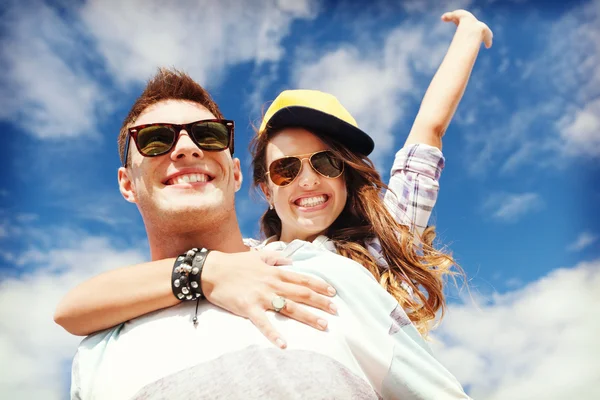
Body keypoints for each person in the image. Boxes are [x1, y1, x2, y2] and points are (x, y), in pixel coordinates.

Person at [63, 10, 491, 399]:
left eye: (326, 163)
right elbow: (70, 310)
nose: (308, 179)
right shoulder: (254, 262)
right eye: (286, 169)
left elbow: (426, 137)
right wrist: (207, 270)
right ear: (265, 188)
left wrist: (468, 37)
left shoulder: (361, 256)